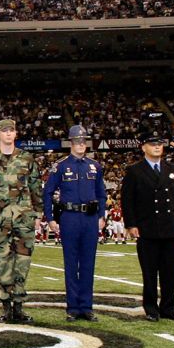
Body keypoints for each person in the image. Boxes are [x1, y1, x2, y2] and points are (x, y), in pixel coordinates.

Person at [0, 119, 43, 323]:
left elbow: (36, 188)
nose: (7, 134)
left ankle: (19, 307)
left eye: (11, 131)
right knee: (2, 263)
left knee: (22, 263)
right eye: (4, 131)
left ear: (15, 134)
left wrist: (38, 214)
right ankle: (6, 307)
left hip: (24, 219)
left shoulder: (27, 159)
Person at [121, 127, 174, 322]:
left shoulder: (172, 169)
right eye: (153, 144)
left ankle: (168, 308)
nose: (158, 147)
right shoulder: (134, 170)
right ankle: (151, 308)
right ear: (144, 147)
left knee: (170, 271)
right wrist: (131, 224)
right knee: (150, 272)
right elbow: (128, 200)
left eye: (160, 144)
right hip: (147, 228)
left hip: (170, 227)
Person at [42, 125, 105, 322]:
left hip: (90, 218)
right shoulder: (60, 166)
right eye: (77, 141)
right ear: (70, 142)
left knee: (88, 263)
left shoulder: (95, 166)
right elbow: (48, 192)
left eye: (84, 141)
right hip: (69, 217)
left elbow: (101, 194)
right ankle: (72, 307)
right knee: (71, 263)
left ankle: (86, 306)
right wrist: (51, 218)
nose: (81, 144)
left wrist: (102, 216)